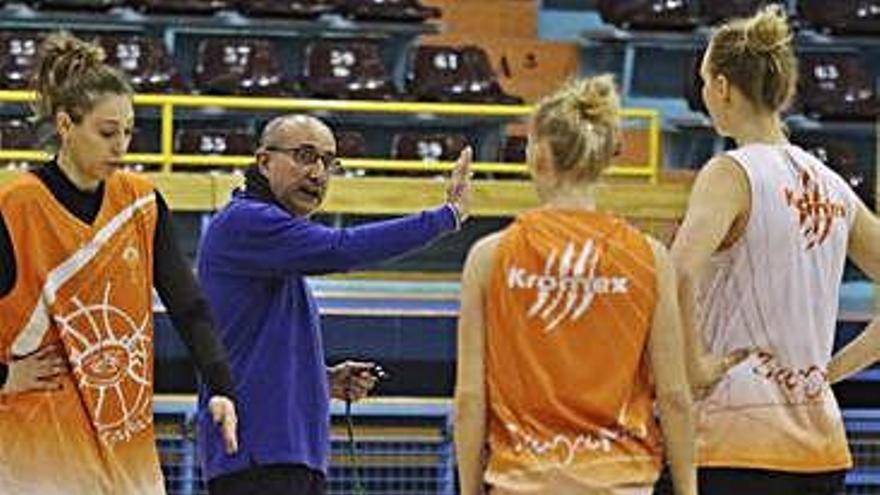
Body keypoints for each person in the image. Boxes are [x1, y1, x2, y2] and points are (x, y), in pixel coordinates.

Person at [0, 32, 238, 494]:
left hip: (126, 454)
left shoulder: (141, 203)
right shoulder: (14, 205)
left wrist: (221, 386)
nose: (121, 146)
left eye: (128, 132)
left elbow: (190, 307)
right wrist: (6, 376)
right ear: (66, 125)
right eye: (107, 133)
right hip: (31, 453)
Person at [195, 113, 473, 495]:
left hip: (288, 457)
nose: (318, 173)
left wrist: (320, 379)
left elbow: (250, 349)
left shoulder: (274, 244)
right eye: (305, 156)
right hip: (258, 458)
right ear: (263, 161)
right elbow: (343, 248)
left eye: (329, 162)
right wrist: (445, 218)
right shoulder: (247, 223)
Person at [670, 5, 880, 494]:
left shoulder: (730, 173)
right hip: (820, 447)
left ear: (721, 87)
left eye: (705, 82)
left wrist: (694, 363)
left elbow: (677, 273)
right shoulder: (832, 184)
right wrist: (831, 372)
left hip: (733, 442)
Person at [454, 74, 696, 495]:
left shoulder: (489, 257)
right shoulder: (651, 257)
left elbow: (470, 398)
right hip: (620, 480)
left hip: (522, 481)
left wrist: (472, 490)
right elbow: (674, 396)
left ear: (541, 155)